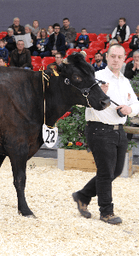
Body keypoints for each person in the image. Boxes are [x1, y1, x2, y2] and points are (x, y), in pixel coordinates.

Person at [72, 44, 139, 225]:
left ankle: (82, 195)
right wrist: (97, 94)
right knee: (105, 172)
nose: (116, 60)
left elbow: (136, 104)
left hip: (119, 131)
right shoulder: (96, 77)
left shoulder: (125, 82)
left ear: (124, 59)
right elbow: (79, 101)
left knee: (115, 171)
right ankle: (106, 212)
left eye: (119, 57)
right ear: (107, 57)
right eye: (113, 56)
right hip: (99, 129)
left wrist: (129, 109)